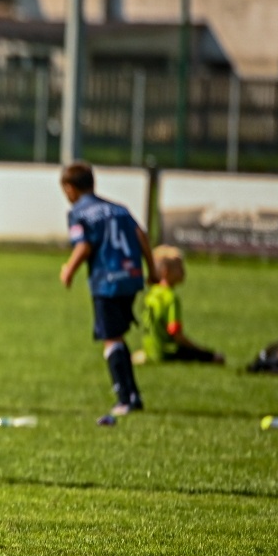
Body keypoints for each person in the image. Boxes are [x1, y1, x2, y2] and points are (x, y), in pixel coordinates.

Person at [59, 162, 158, 418]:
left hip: (108, 279)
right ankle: (133, 394)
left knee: (111, 339)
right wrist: (152, 269)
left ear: (70, 188)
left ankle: (125, 399)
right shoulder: (119, 209)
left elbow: (84, 246)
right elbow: (141, 236)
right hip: (131, 276)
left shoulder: (79, 212)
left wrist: (68, 269)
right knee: (118, 335)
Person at [138, 246, 224, 365]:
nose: (184, 271)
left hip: (151, 350)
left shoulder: (151, 294)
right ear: (165, 272)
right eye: (179, 267)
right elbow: (175, 334)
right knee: (215, 357)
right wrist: (200, 351)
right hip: (167, 352)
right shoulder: (170, 297)